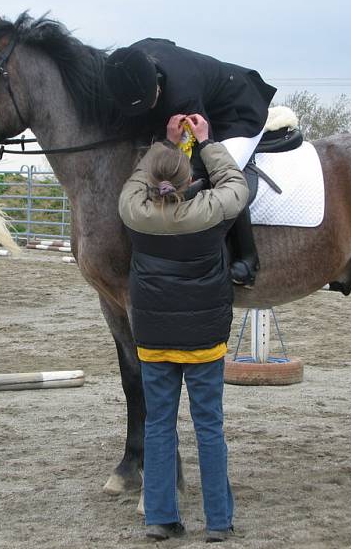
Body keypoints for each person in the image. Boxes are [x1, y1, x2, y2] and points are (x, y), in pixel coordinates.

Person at [118, 113, 248, 543]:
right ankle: (218, 522)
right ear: (189, 177)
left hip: (154, 342)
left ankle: (160, 517)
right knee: (209, 427)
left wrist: (164, 146)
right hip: (204, 341)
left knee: (158, 426)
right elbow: (236, 185)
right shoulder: (208, 212)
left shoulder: (134, 212)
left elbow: (136, 185)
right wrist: (207, 142)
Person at [105, 39, 277, 287]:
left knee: (218, 171)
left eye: (151, 101)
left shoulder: (182, 93)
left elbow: (197, 144)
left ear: (156, 81)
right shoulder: (131, 62)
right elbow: (165, 43)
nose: (149, 108)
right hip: (199, 98)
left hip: (235, 110)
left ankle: (247, 259)